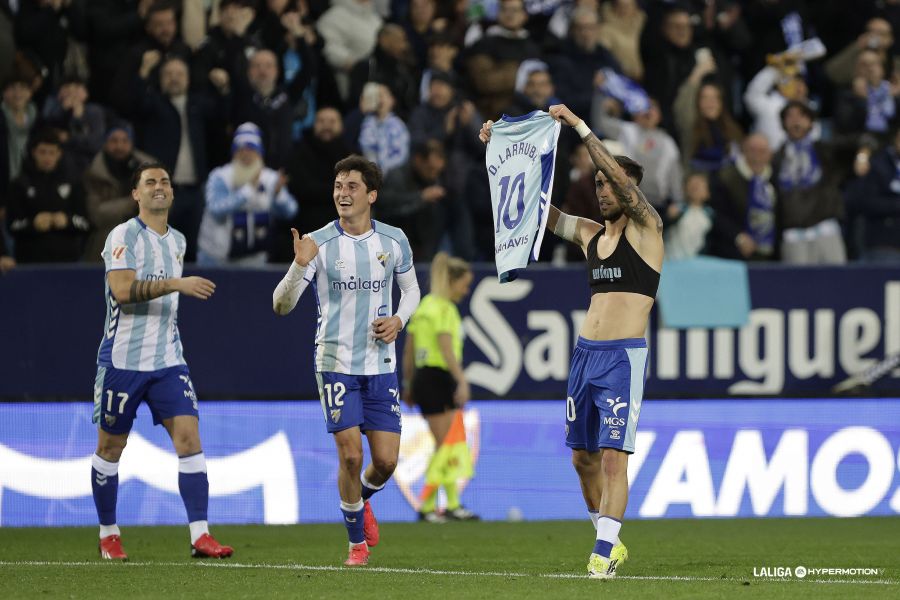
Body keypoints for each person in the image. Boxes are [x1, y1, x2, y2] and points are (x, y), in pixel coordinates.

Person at [479, 102, 663, 579]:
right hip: (585, 357)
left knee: (613, 461)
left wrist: (581, 127)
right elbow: (538, 213)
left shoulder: (649, 230)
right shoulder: (590, 235)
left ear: (630, 186)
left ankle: (601, 556)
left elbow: (620, 180)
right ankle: (608, 539)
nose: (603, 189)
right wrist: (504, 154)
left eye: (610, 182)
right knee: (583, 459)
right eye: (598, 183)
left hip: (623, 360)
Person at [272, 155, 421, 567]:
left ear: (371, 195)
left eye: (352, 186)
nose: (343, 192)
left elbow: (411, 292)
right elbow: (280, 306)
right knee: (352, 456)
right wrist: (298, 265)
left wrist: (398, 320)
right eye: (338, 186)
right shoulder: (317, 244)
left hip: (380, 363)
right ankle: (356, 543)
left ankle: (362, 499)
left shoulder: (394, 240)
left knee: (387, 461)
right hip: (335, 361)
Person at [92, 161, 233, 561]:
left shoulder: (178, 240)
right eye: (149, 181)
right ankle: (108, 534)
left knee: (190, 439)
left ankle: (201, 535)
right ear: (135, 193)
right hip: (122, 360)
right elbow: (121, 291)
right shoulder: (123, 235)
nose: (159, 186)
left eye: (165, 181)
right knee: (110, 448)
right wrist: (175, 283)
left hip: (169, 359)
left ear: (172, 192)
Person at [402, 252, 478, 523]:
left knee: (444, 444)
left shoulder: (424, 307)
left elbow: (409, 349)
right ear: (452, 280)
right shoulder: (445, 309)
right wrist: (461, 380)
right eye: (464, 284)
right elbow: (446, 347)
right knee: (446, 445)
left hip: (423, 378)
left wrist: (408, 383)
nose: (466, 290)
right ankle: (426, 505)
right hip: (439, 377)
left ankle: (452, 504)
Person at [197, 122, 298, 265]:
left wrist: (278, 194)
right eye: (240, 149)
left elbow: (290, 211)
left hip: (255, 260)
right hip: (216, 258)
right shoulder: (219, 176)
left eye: (251, 148)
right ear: (234, 152)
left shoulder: (270, 178)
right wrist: (247, 190)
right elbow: (215, 209)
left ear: (259, 153)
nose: (246, 153)